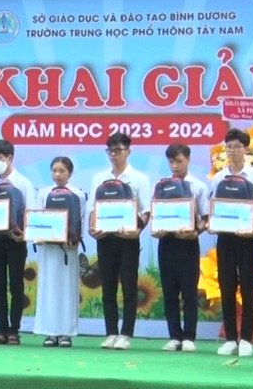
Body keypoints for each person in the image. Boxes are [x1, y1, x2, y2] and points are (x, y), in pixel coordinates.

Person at [87, 132, 151, 351]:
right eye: (110, 151)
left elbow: (146, 211)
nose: (114, 154)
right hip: (105, 239)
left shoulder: (139, 179)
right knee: (108, 287)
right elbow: (93, 208)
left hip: (128, 240)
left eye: (118, 150)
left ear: (128, 151)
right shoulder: (99, 178)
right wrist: (92, 228)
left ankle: (126, 334)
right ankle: (111, 332)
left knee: (129, 287)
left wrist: (137, 231)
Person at [210, 127, 253, 357]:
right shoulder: (218, 177)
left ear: (246, 149)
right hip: (225, 238)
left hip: (247, 239)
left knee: (248, 286)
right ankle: (230, 339)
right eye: (229, 147)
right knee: (226, 285)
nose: (232, 151)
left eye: (237, 147)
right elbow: (214, 206)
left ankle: (246, 338)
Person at [153, 142, 209, 352]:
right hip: (166, 243)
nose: (174, 166)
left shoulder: (198, 186)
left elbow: (205, 217)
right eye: (171, 162)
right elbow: (156, 213)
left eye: (179, 161)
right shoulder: (161, 185)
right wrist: (157, 229)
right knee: (169, 291)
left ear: (188, 160)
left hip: (188, 243)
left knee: (189, 291)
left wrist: (196, 232)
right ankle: (174, 336)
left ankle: (189, 336)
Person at [0, 139, 35, 345]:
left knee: (16, 285)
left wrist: (24, 234)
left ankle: (14, 330)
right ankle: (1, 330)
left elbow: (31, 212)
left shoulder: (23, 183)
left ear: (10, 158)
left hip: (16, 241)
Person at [32, 156, 87, 348]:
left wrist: (75, 240)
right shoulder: (44, 193)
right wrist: (39, 236)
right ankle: (49, 332)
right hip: (48, 249)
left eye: (62, 171)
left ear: (70, 173)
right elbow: (38, 217)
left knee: (67, 289)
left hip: (68, 250)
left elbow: (80, 219)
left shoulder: (78, 194)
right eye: (54, 170)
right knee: (48, 288)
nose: (57, 174)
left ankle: (66, 333)